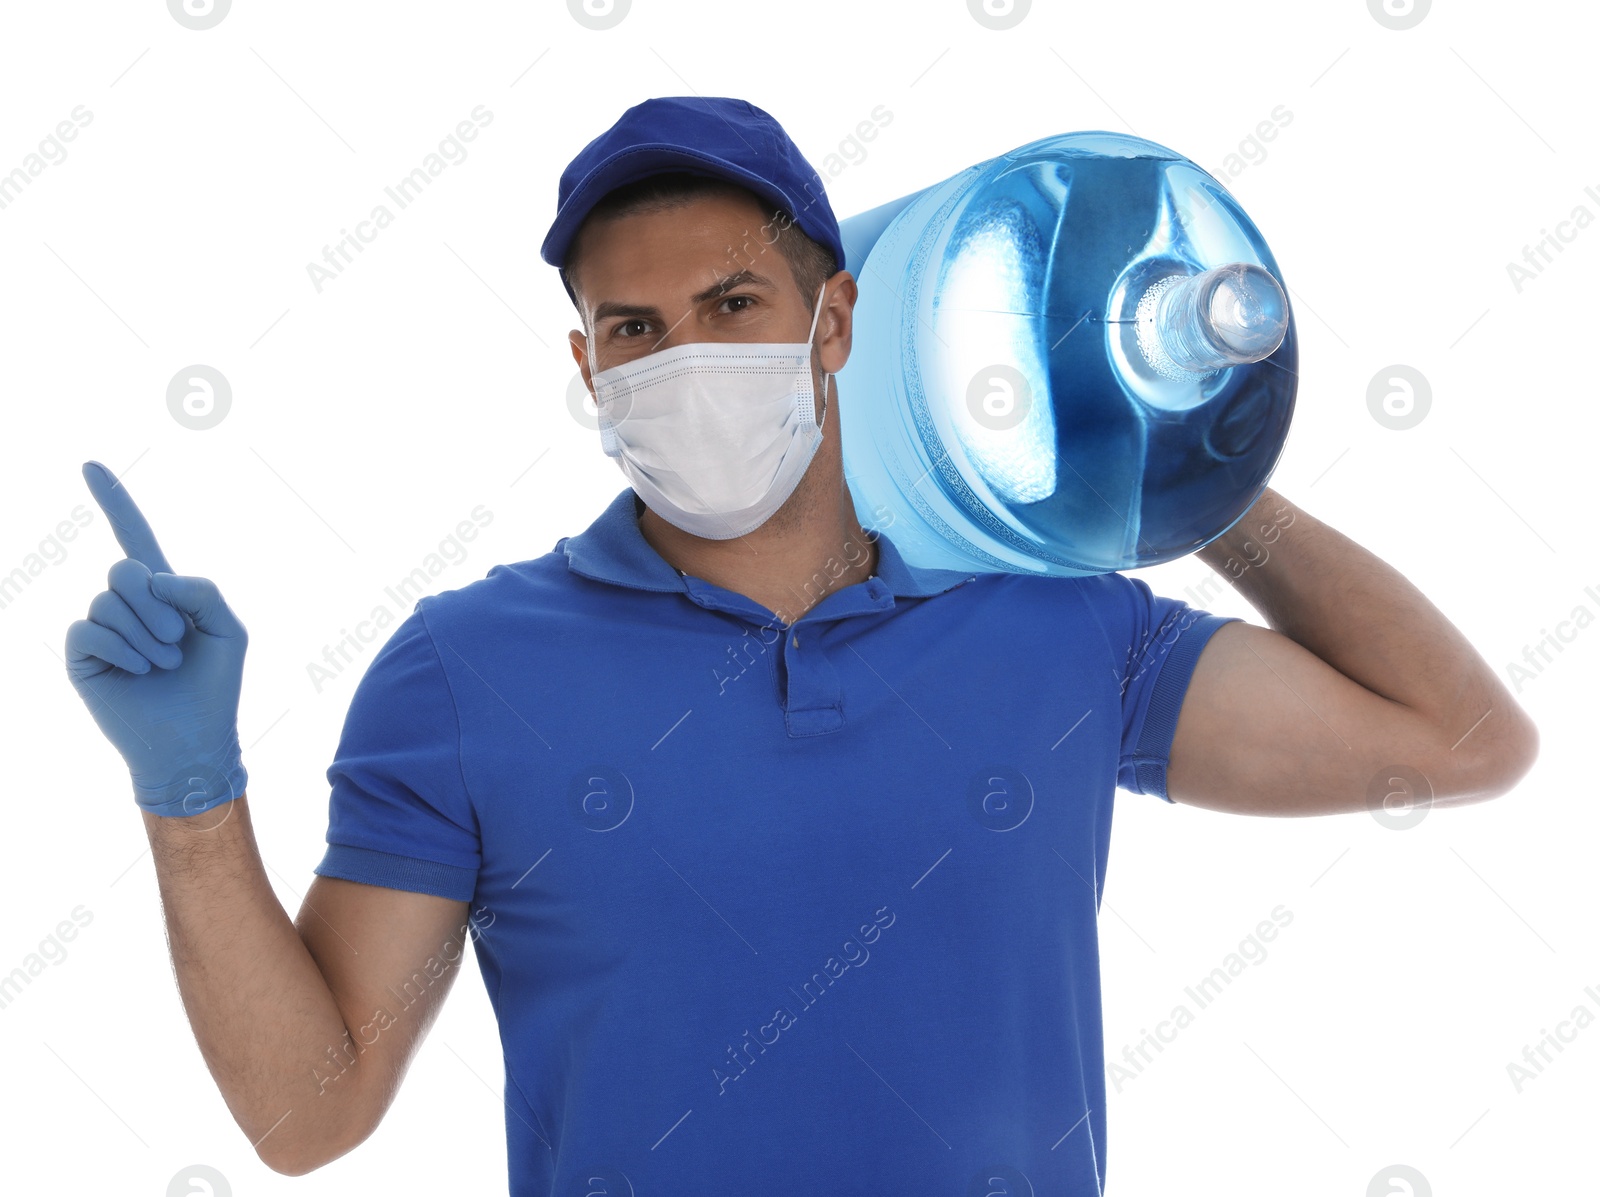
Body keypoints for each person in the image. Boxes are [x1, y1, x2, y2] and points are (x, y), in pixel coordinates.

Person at [64, 95, 1540, 1195]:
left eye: (731, 304)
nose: (685, 355)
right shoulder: (468, 667)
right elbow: (306, 1114)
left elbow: (1459, 741)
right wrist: (191, 795)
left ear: (835, 319)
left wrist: (1181, 468)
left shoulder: (1053, 621)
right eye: (633, 328)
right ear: (584, 364)